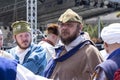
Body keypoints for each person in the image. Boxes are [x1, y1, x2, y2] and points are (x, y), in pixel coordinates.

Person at [43, 9, 103, 80]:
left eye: (69, 25)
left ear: (80, 27)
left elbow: (102, 76)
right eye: (61, 25)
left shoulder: (89, 51)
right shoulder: (60, 51)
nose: (64, 28)